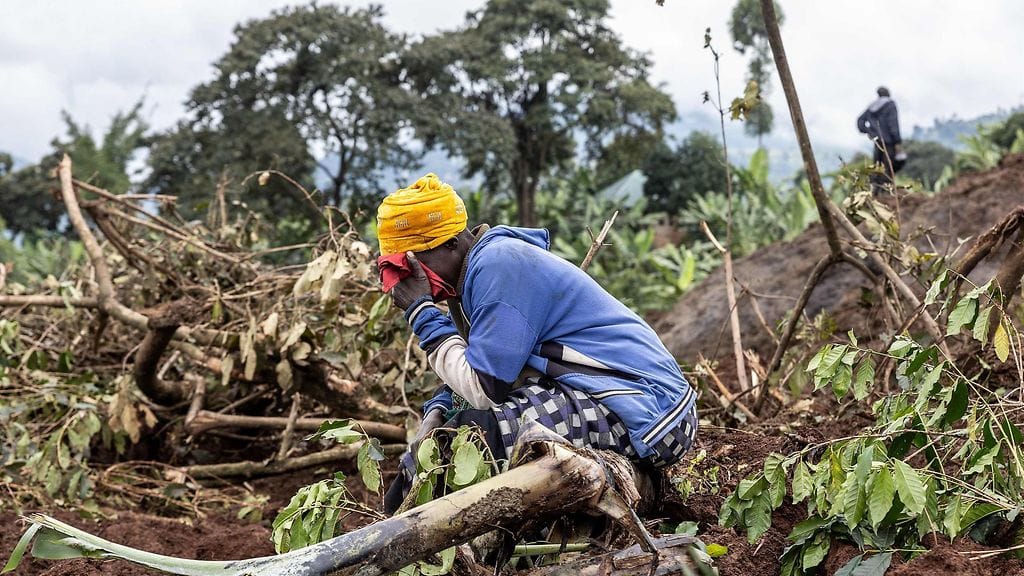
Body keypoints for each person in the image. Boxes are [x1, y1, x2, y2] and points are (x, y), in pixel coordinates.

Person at [376, 173, 698, 513]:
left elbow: (485, 388)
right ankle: (393, 524)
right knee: (445, 437)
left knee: (468, 439)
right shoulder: (473, 275)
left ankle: (399, 531)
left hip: (651, 414)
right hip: (617, 401)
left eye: (413, 265)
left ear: (452, 244)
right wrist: (437, 410)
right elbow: (479, 364)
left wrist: (422, 312)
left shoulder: (500, 264)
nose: (410, 280)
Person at [857, 86, 906, 188]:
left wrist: (869, 131)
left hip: (877, 141)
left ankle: (876, 190)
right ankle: (886, 190)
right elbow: (893, 124)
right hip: (889, 142)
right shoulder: (891, 105)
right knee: (888, 166)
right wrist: (897, 141)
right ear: (888, 94)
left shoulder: (872, 107)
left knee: (877, 166)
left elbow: (860, 121)